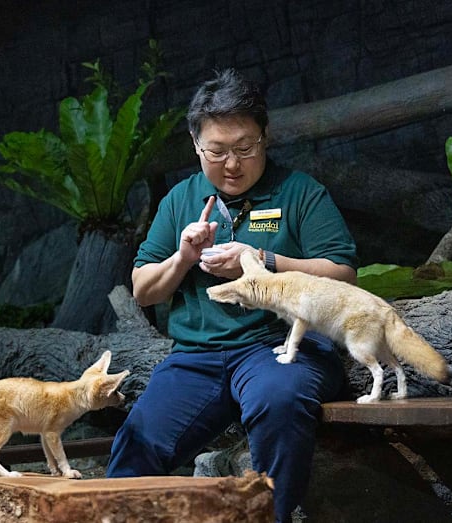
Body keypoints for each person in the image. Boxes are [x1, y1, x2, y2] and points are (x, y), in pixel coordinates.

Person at [106, 68, 358, 522]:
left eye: (245, 148)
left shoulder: (299, 192)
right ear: (195, 144)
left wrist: (263, 260)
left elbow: (343, 275)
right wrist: (183, 257)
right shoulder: (180, 200)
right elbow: (143, 291)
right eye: (217, 151)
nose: (232, 164)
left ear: (265, 136)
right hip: (197, 357)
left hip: (280, 347)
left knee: (278, 402)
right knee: (138, 438)